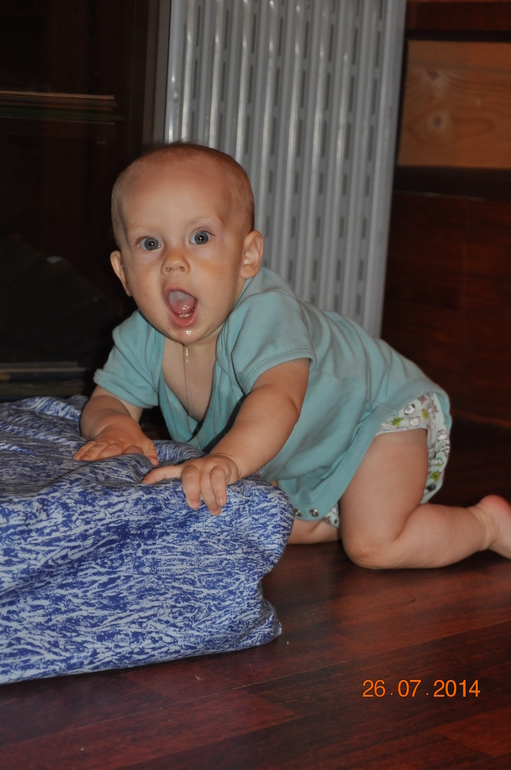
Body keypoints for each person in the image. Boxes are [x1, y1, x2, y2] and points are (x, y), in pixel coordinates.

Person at [74, 142, 511, 569]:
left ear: (247, 256)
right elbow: (108, 400)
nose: (174, 262)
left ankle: (486, 524)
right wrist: (116, 427)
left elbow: (277, 398)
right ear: (123, 272)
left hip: (377, 417)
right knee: (272, 524)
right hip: (310, 448)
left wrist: (226, 461)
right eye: (150, 244)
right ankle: (344, 508)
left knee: (373, 546)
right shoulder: (141, 337)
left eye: (200, 237)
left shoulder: (264, 313)